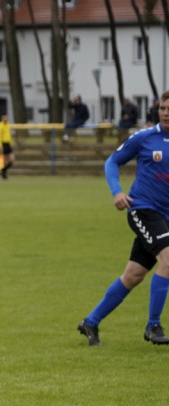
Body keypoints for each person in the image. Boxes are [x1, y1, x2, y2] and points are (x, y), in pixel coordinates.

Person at [77, 90, 169, 347]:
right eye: (163, 108)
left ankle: (91, 322)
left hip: (166, 218)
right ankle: (153, 325)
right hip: (143, 210)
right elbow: (112, 162)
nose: (166, 113)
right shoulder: (145, 138)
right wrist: (117, 192)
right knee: (168, 260)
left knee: (134, 275)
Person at [0, 112, 15, 180]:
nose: (6, 118)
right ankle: (4, 174)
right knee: (4, 160)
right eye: (4, 117)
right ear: (2, 118)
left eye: (7, 117)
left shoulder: (8, 125)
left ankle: (3, 170)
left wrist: (11, 144)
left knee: (12, 159)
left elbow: (9, 135)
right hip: (3, 144)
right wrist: (0, 146)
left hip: (8, 144)